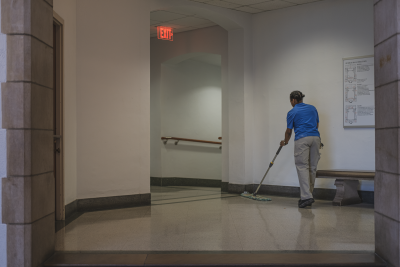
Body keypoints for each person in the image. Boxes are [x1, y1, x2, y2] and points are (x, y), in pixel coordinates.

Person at [280, 91, 321, 208]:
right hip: (316, 138)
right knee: (312, 168)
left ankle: (306, 197)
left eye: (290, 101)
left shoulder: (292, 112)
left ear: (293, 100)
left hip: (302, 139)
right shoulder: (313, 108)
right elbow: (316, 124)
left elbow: (289, 131)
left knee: (302, 167)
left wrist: (285, 141)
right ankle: (308, 196)